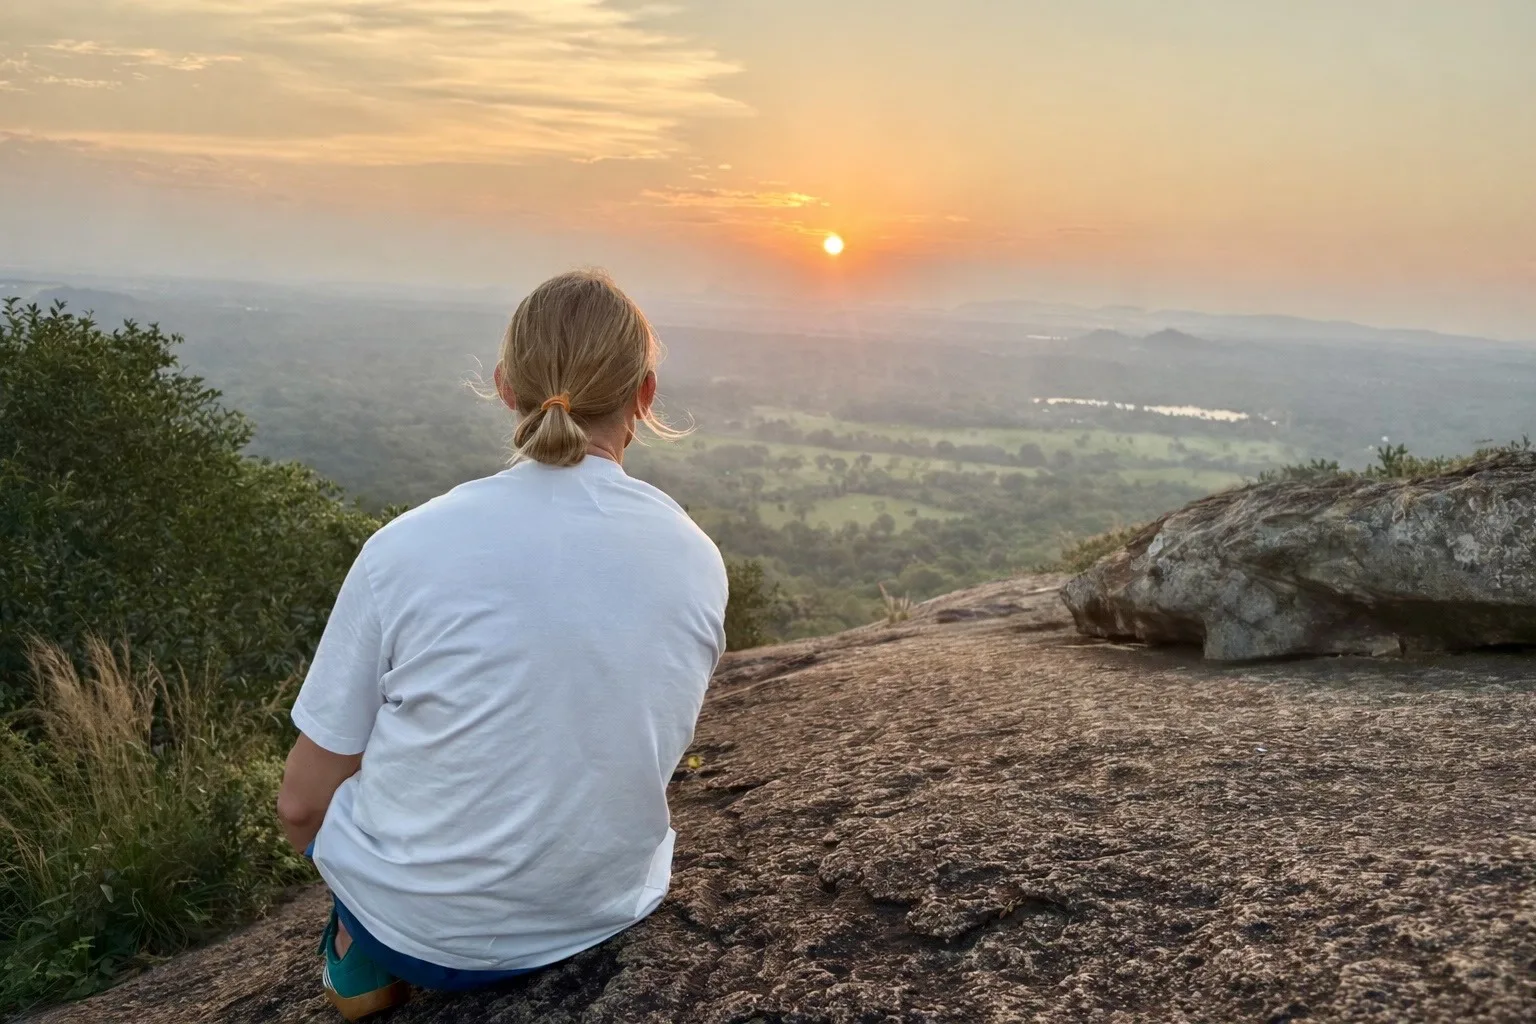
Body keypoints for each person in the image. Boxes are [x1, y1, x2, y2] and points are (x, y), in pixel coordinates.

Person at [276, 270, 728, 1021]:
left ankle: (358, 954)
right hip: (599, 915)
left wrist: (381, 894)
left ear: (505, 387)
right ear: (644, 397)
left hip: (414, 934)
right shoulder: (694, 555)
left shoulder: (406, 548)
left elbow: (300, 805)